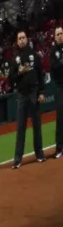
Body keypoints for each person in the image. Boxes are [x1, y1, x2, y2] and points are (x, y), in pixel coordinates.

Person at [9, 30, 47, 168]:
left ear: (27, 39)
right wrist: (19, 72)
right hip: (22, 95)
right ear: (17, 41)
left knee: (37, 126)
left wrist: (42, 92)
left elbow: (40, 74)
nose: (22, 40)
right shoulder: (15, 59)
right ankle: (17, 159)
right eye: (19, 38)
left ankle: (40, 154)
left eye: (23, 38)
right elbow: (10, 79)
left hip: (34, 93)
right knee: (21, 128)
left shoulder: (34, 55)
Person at [52, 26, 63, 158]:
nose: (60, 36)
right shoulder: (53, 51)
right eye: (58, 34)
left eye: (61, 33)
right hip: (60, 87)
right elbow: (54, 67)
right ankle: (59, 148)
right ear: (54, 37)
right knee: (60, 118)